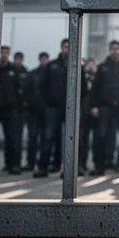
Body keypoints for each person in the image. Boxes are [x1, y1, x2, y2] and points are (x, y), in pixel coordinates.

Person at [92, 40, 119, 176]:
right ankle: (100, 166)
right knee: (102, 136)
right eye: (112, 49)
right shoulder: (102, 67)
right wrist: (94, 106)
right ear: (110, 50)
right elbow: (96, 89)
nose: (115, 51)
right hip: (106, 106)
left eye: (117, 49)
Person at [37, 39, 70, 176]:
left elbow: (84, 87)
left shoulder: (77, 65)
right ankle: (42, 168)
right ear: (61, 48)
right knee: (48, 137)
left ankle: (69, 168)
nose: (67, 49)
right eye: (65, 47)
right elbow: (42, 86)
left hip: (70, 108)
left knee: (71, 138)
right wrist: (50, 101)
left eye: (69, 47)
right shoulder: (52, 65)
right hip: (53, 108)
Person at [23, 52, 49, 174]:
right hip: (33, 111)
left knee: (45, 138)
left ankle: (43, 163)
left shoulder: (50, 74)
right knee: (32, 137)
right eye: (42, 59)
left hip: (46, 111)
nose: (43, 61)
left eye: (45, 59)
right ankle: (30, 162)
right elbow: (26, 90)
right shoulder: (32, 74)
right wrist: (28, 103)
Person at [12, 51, 33, 171]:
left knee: (21, 137)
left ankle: (19, 163)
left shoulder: (26, 73)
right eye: (16, 59)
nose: (18, 61)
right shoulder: (11, 71)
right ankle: (12, 163)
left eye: (20, 59)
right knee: (14, 137)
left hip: (23, 110)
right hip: (13, 108)